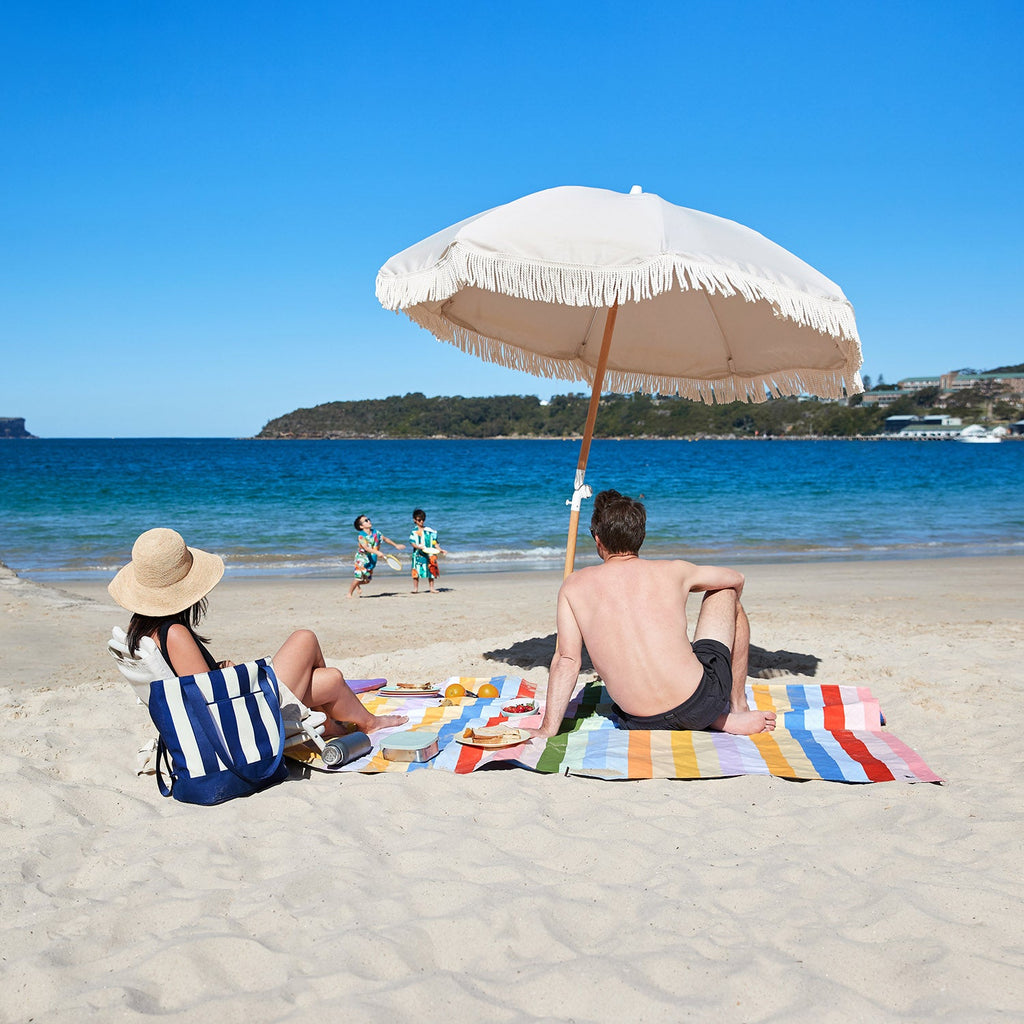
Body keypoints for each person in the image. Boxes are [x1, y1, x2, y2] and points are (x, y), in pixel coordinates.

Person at [527, 490, 776, 739]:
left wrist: (548, 728)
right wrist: (730, 612)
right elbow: (737, 578)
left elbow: (568, 661)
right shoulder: (674, 571)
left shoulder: (573, 586)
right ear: (640, 537)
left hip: (640, 720)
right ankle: (736, 706)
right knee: (726, 591)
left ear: (597, 539)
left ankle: (714, 718)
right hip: (701, 703)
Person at [110, 528, 407, 736]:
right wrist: (239, 673)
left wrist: (221, 668)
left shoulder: (147, 631)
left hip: (232, 714)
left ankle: (347, 723)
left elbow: (196, 683)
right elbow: (212, 698)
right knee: (304, 637)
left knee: (331, 680)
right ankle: (343, 721)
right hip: (241, 722)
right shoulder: (174, 632)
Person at [347, 515, 406, 598]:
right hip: (361, 559)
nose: (369, 521)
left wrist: (396, 545)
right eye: (366, 520)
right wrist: (377, 552)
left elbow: (385, 539)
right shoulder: (361, 536)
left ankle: (357, 584)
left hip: (372, 560)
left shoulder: (376, 532)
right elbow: (366, 548)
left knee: (367, 580)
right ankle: (349, 593)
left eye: (368, 519)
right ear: (361, 526)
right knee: (358, 577)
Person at [408, 508, 447, 594]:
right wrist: (419, 547)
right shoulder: (414, 532)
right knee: (416, 571)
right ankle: (415, 588)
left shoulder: (430, 531)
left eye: (423, 519)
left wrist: (440, 550)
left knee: (431, 569)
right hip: (418, 553)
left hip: (430, 553)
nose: (421, 521)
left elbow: (435, 542)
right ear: (414, 520)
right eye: (419, 520)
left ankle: (432, 588)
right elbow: (412, 543)